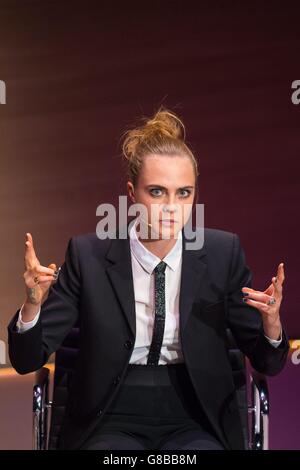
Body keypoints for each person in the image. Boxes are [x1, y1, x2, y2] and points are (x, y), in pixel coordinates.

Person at [7, 106, 289, 450]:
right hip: (109, 413)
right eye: (157, 192)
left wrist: (272, 326)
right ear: (131, 193)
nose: (172, 206)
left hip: (196, 411)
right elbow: (25, 360)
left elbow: (268, 363)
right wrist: (33, 305)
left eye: (183, 193)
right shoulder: (88, 256)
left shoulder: (221, 254)